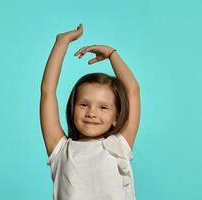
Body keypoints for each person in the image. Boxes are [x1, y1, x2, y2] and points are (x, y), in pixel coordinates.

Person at [40, 23, 141, 200]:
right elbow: (48, 92)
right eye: (84, 105)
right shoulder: (61, 150)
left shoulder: (119, 146)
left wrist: (112, 54)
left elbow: (132, 90)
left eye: (103, 107)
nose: (91, 113)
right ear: (72, 109)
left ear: (117, 117)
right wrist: (62, 42)